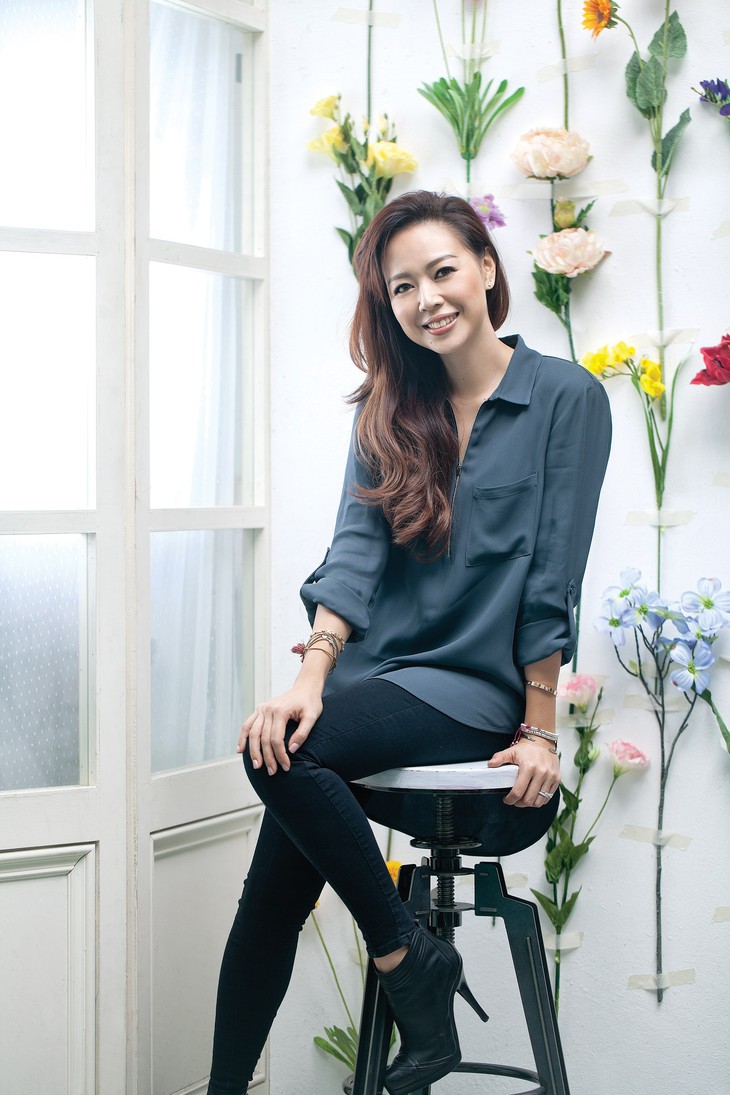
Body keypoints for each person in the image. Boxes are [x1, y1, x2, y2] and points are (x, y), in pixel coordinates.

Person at [206, 190, 611, 1095]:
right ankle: (364, 990)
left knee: (285, 761)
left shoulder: (566, 398)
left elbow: (553, 576)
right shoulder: (387, 408)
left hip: (472, 689)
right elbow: (353, 554)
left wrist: (540, 728)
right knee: (273, 852)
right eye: (401, 286)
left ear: (486, 269)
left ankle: (404, 959)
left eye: (443, 271)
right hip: (380, 682)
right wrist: (311, 678)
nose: (427, 298)